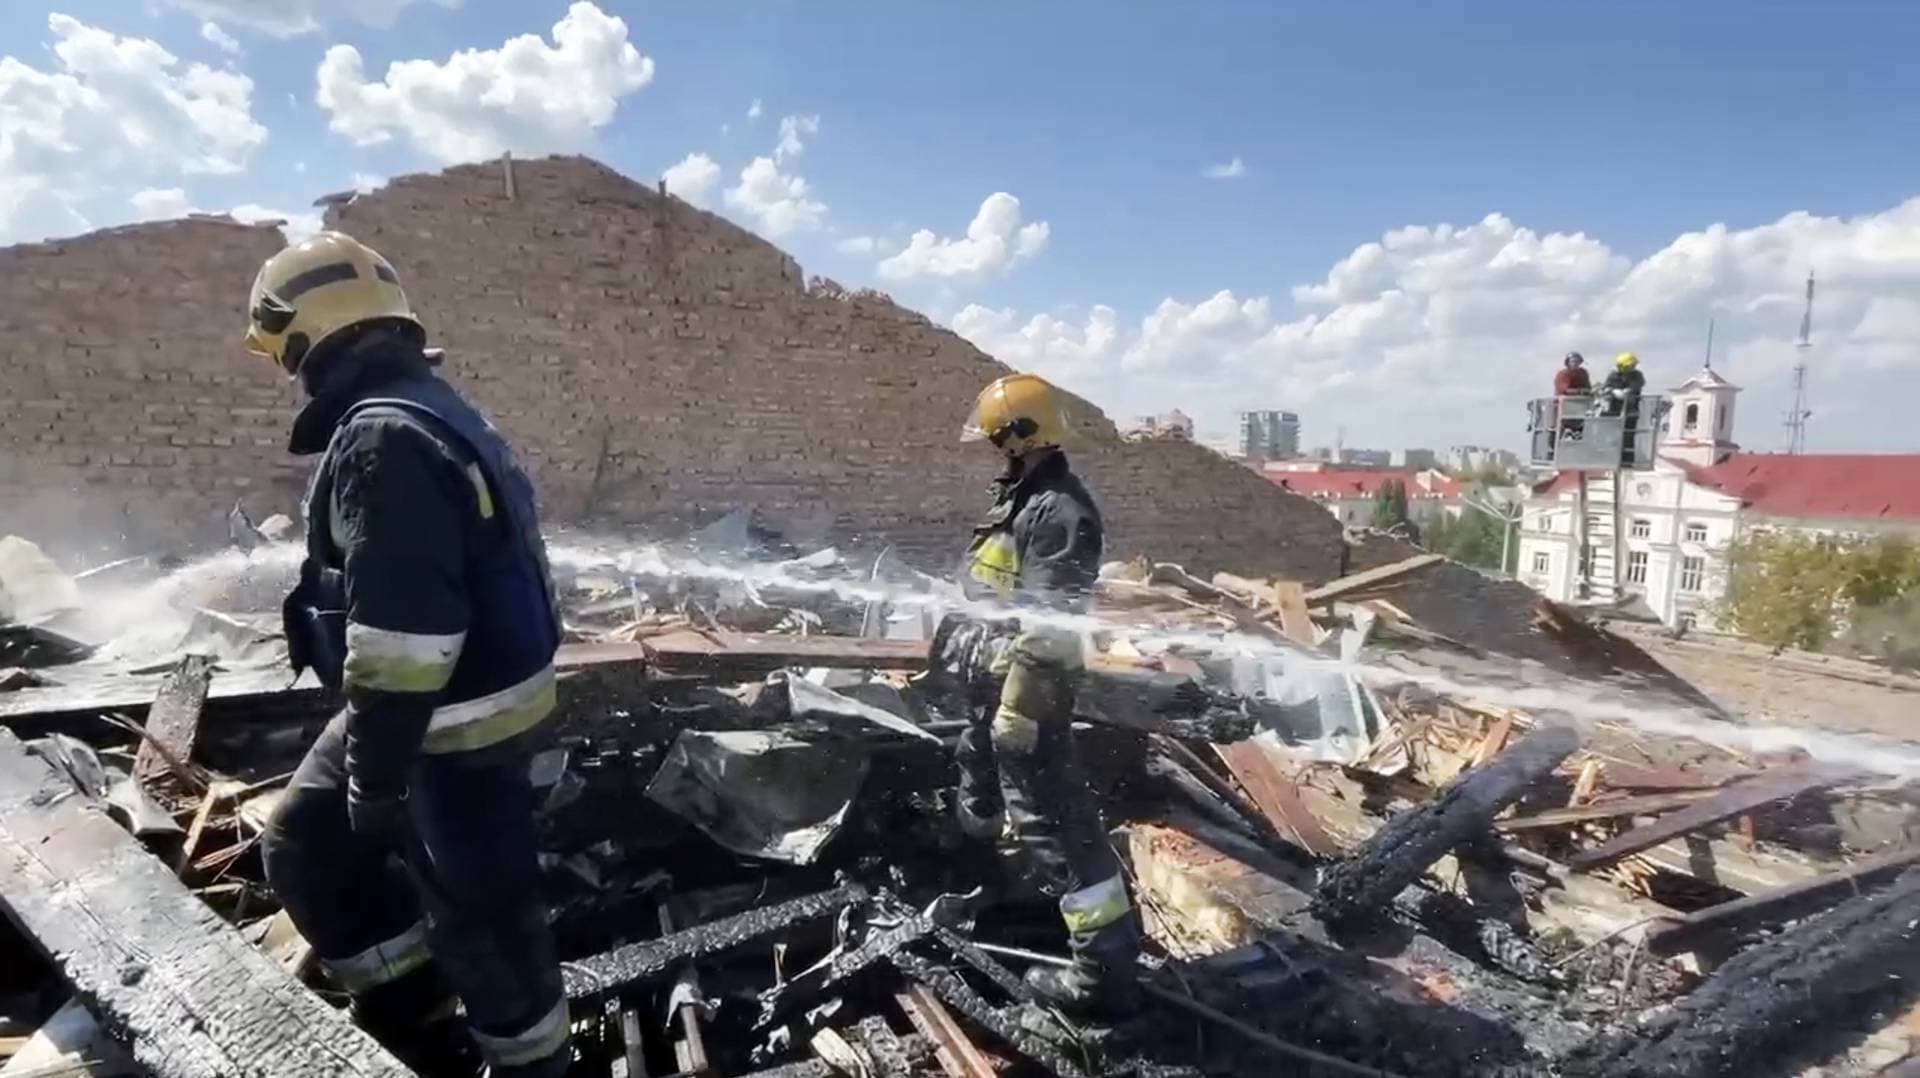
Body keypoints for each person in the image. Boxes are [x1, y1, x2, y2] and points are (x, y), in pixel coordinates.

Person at [249, 232, 571, 1077]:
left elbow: (404, 643)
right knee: (303, 843)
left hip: (447, 730)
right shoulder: (431, 406)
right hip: (436, 710)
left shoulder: (383, 437)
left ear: (301, 333)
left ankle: (530, 1063)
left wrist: (376, 776)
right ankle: (406, 1008)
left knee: (487, 926)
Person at [951, 373, 1140, 1016]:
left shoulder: (1060, 511)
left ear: (1021, 435)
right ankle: (1001, 897)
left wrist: (1018, 711)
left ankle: (1100, 978)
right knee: (983, 797)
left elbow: (1053, 623)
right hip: (991, 687)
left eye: (996, 436)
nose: (990, 448)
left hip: (1028, 700)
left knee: (1060, 829)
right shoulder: (1020, 499)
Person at [1602, 351, 1648, 465]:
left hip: (1631, 411)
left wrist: (1627, 391)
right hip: (1615, 411)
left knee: (1628, 436)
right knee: (1614, 436)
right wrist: (1612, 391)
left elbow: (1638, 384)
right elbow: (1606, 387)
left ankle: (1627, 462)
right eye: (1630, 365)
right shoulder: (1613, 375)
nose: (1632, 367)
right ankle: (1611, 459)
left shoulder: (1637, 375)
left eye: (1633, 365)